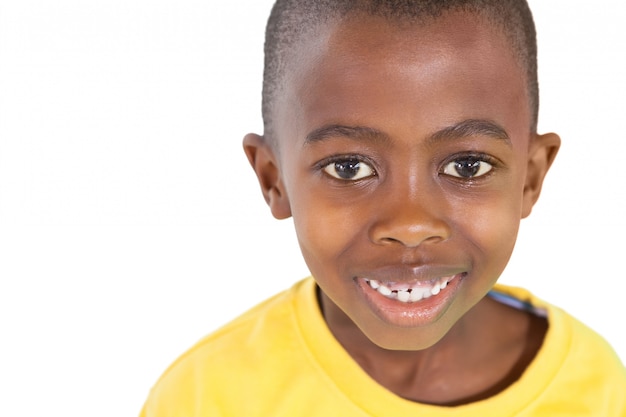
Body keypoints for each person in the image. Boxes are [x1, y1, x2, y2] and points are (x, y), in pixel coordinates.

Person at [140, 0, 626, 415]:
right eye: (349, 167)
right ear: (273, 179)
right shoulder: (207, 397)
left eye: (468, 166)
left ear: (531, 177)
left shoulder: (600, 389)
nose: (410, 224)